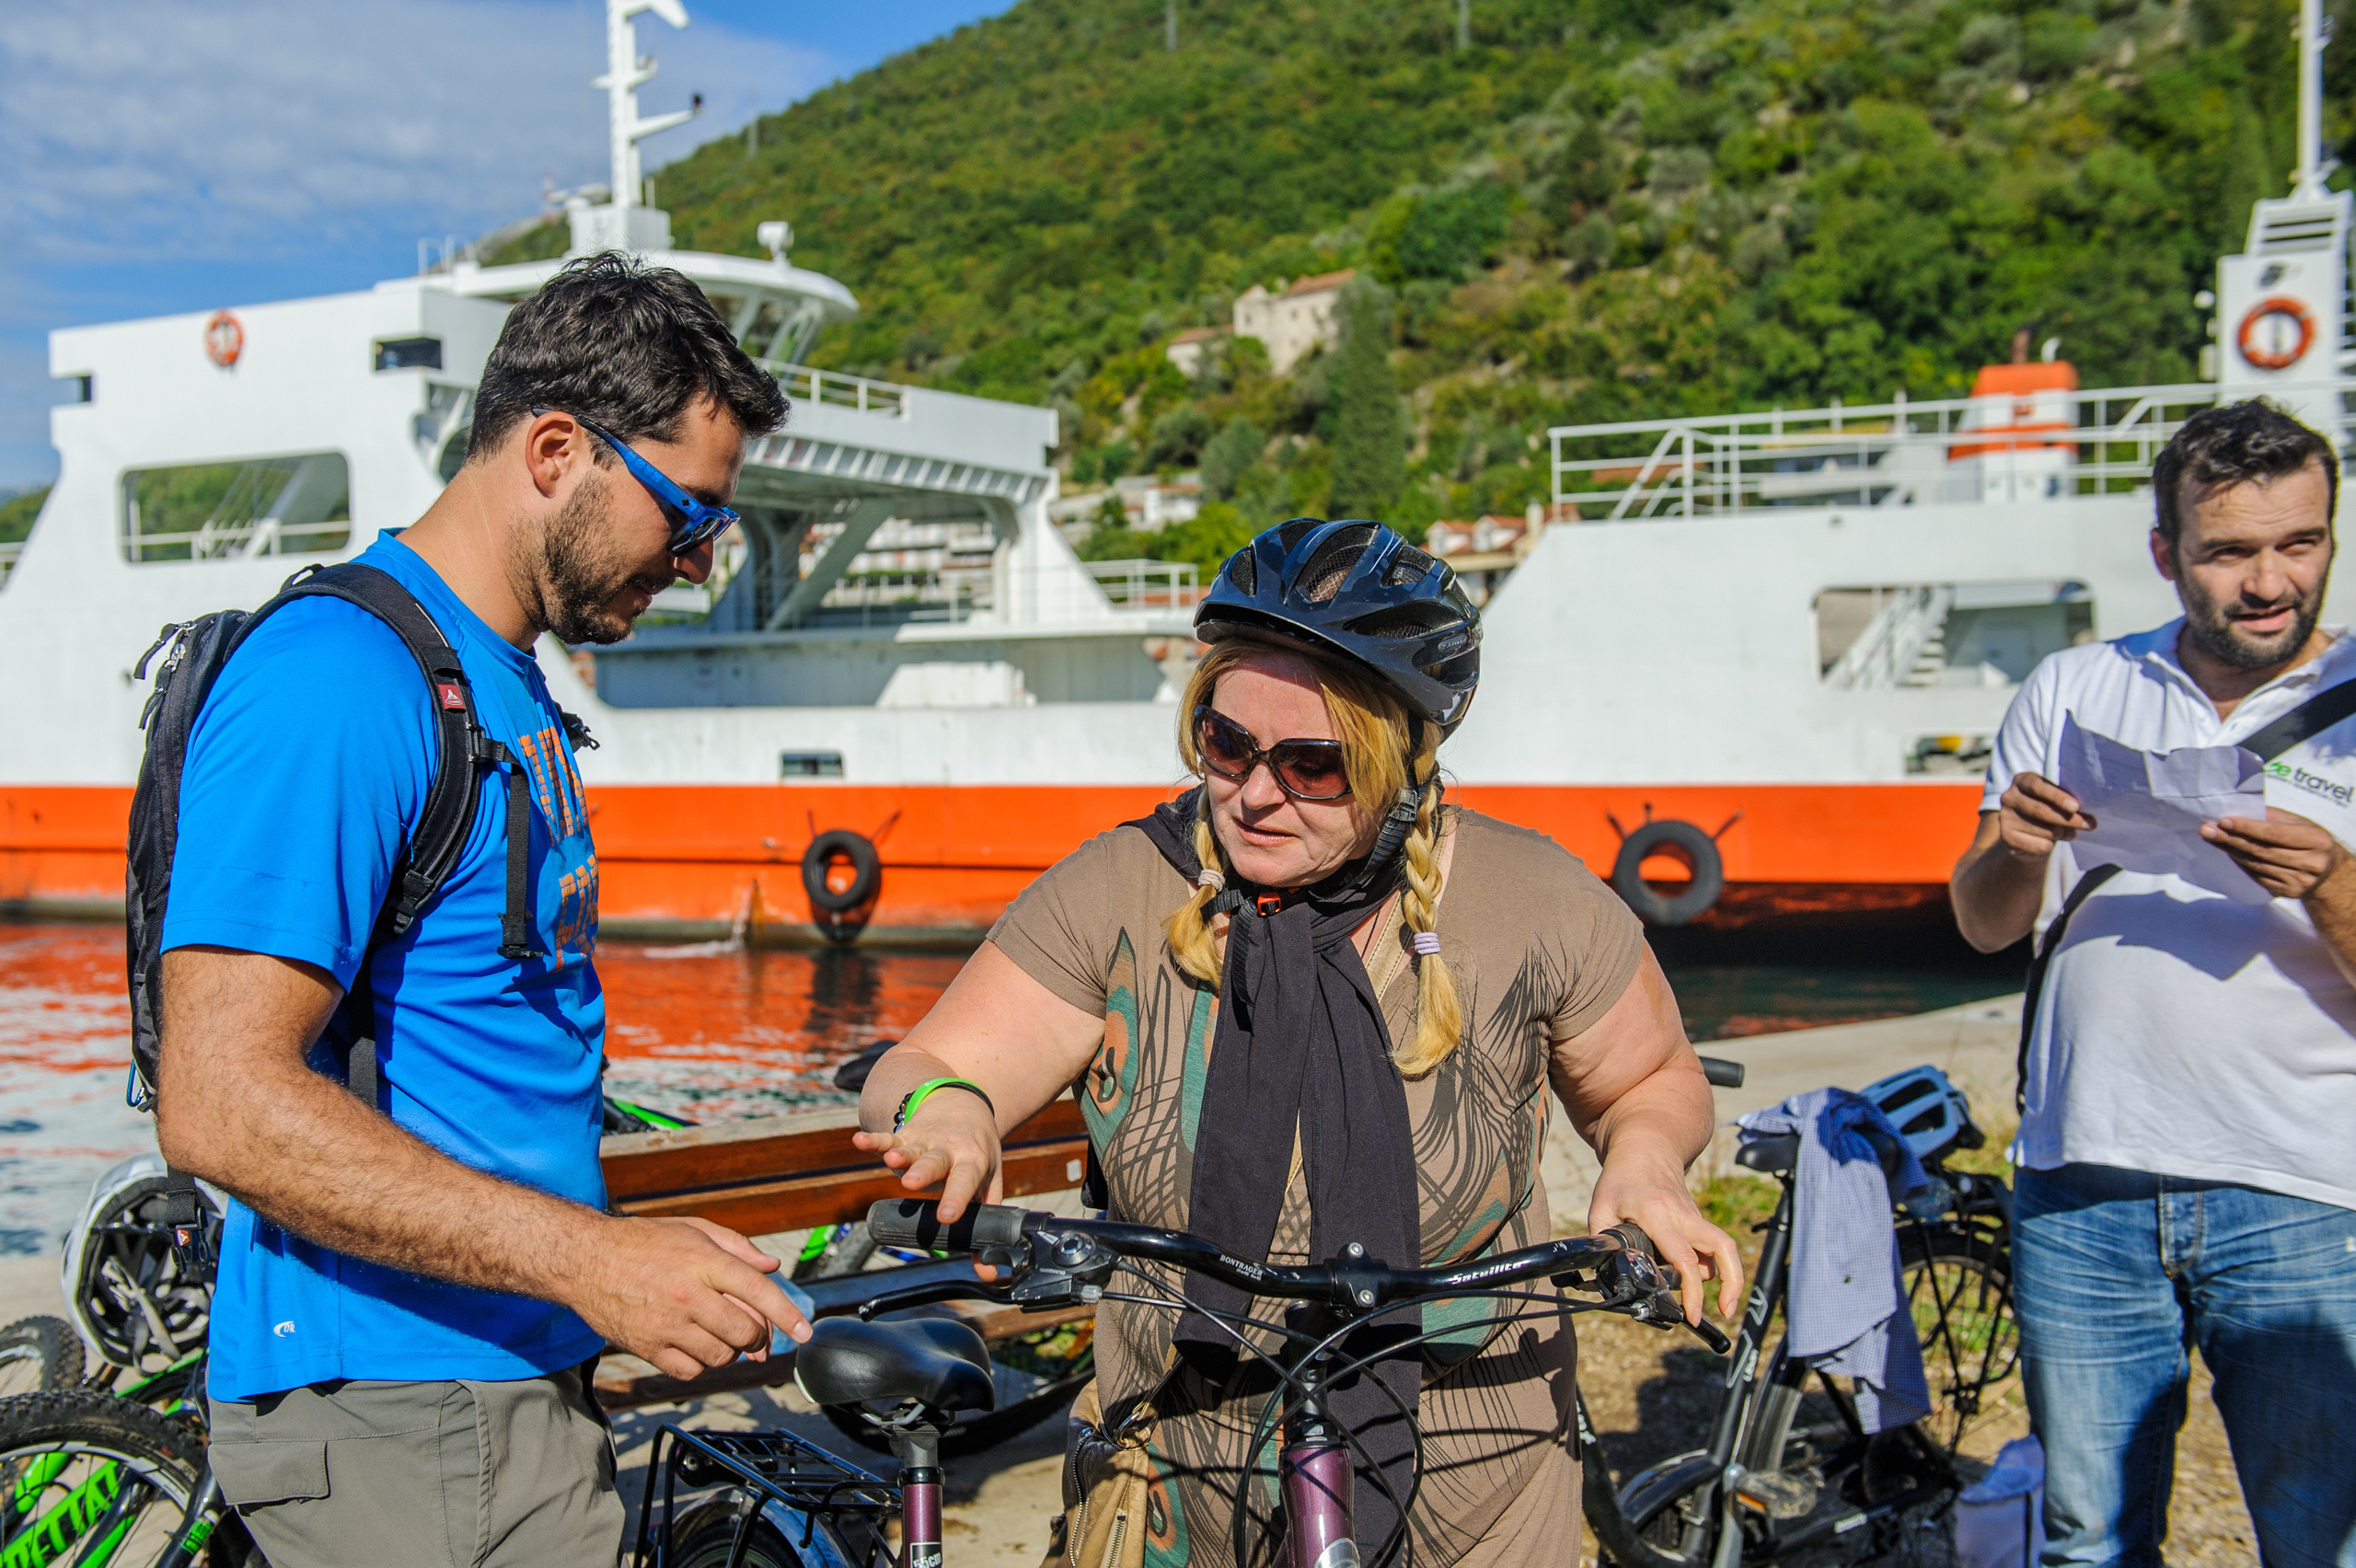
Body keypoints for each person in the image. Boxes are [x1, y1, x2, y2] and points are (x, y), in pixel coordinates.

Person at [852, 518, 1742, 1568]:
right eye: (1225, 744)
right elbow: (920, 1070)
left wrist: (1645, 1163)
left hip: (1485, 1487)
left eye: (1312, 764)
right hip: (1178, 1485)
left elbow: (1647, 1075)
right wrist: (943, 1110)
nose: (1254, 792)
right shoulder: (1122, 887)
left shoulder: (1532, 898)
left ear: (1402, 763)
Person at [155, 255, 813, 1567]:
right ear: (558, 450)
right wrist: (592, 1261)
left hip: (508, 1383)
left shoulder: (499, 678)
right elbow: (218, 1099)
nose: (696, 564)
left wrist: (597, 1278)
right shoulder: (342, 680)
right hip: (404, 1420)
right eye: (687, 516)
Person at [1950, 398, 2356, 1567]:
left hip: (2301, 1190)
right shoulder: (2073, 687)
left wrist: (2326, 880)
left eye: (2301, 543)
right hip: (2081, 1184)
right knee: (2089, 1542)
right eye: (2229, 552)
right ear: (2166, 554)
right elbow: (1981, 927)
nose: (2270, 581)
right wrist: (2016, 848)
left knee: (2317, 1539)